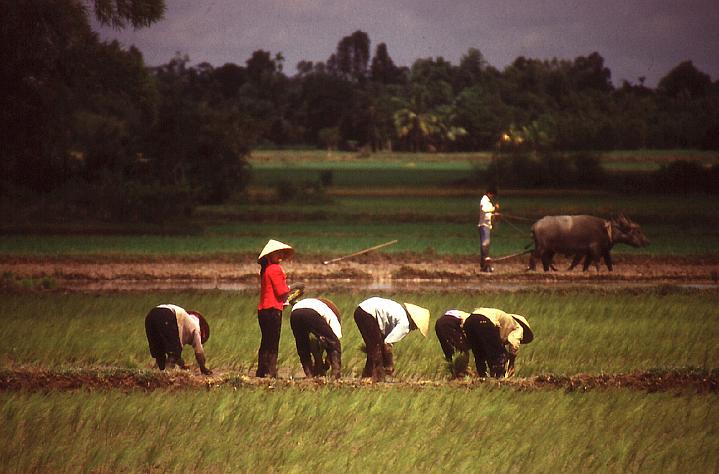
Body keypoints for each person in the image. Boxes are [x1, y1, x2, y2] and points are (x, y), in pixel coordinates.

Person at [353, 296, 430, 382]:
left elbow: (384, 341)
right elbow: (387, 344)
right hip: (367, 313)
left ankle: (367, 377)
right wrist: (389, 365)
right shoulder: (405, 324)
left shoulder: (400, 312)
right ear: (414, 321)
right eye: (416, 326)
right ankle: (377, 379)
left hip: (361, 310)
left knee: (375, 348)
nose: (414, 329)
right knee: (376, 350)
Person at [256, 239, 294, 378]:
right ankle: (272, 372)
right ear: (269, 256)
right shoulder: (275, 269)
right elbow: (281, 291)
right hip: (272, 310)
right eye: (276, 253)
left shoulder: (265, 270)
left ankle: (261, 371)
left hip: (263, 310)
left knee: (265, 341)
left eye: (281, 253)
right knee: (273, 342)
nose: (280, 255)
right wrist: (289, 288)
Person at [463, 307, 534, 378]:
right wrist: (511, 363)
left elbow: (493, 342)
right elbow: (514, 342)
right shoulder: (518, 327)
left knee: (479, 354)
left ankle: (482, 377)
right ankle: (498, 379)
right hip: (484, 321)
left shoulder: (503, 321)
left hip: (469, 322)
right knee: (501, 356)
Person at [144, 304, 212, 375]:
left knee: (159, 354)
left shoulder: (185, 321)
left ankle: (156, 375)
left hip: (150, 316)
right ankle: (167, 377)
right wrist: (203, 367)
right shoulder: (196, 328)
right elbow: (199, 351)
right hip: (166, 314)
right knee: (173, 355)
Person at [290, 297, 342, 379]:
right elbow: (335, 340)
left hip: (294, 313)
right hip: (310, 312)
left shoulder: (321, 307)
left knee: (302, 345)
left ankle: (309, 374)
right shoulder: (333, 318)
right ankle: (336, 374)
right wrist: (327, 363)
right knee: (334, 343)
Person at [434, 309, 471, 378]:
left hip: (439, 323)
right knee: (462, 350)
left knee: (448, 349)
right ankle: (461, 372)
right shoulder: (470, 320)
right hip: (449, 322)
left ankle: (453, 372)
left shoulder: (463, 315)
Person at [478, 186, 499, 272]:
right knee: (485, 243)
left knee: (486, 244)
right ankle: (485, 263)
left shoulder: (488, 202)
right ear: (490, 193)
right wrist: (494, 209)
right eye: (492, 195)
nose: (492, 197)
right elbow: (484, 209)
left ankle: (484, 264)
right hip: (484, 225)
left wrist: (495, 214)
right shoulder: (484, 200)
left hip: (487, 225)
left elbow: (488, 214)